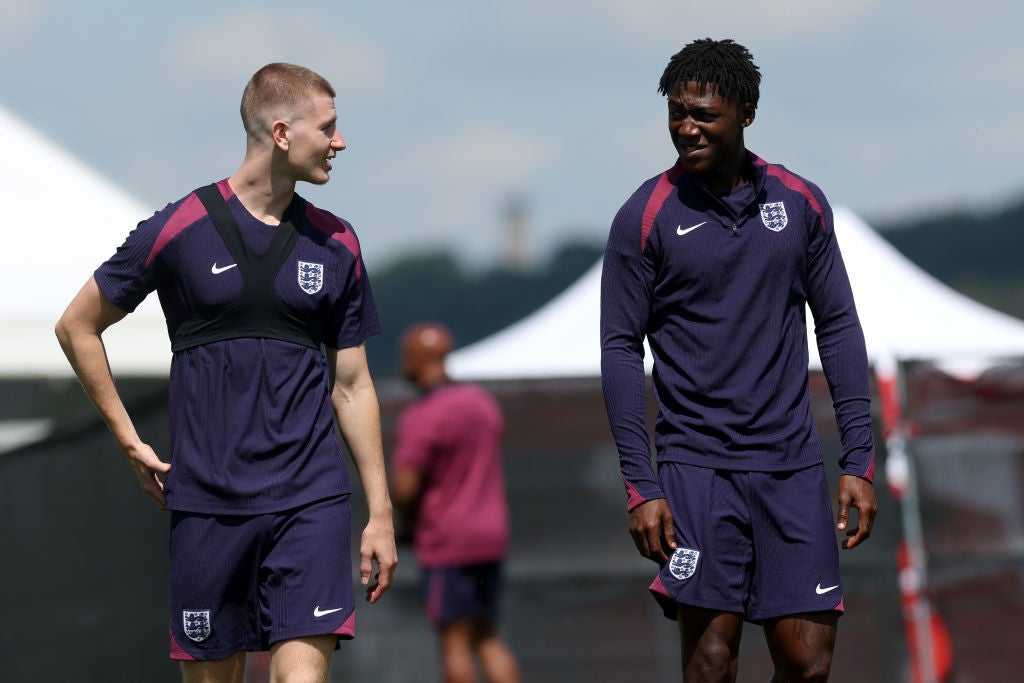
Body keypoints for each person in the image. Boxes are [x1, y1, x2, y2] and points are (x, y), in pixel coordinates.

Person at [55, 62, 397, 682]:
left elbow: (352, 385)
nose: (340, 142)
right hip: (207, 505)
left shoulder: (338, 241)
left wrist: (380, 512)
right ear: (283, 132)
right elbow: (77, 325)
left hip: (311, 500)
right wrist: (129, 440)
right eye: (330, 127)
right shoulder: (180, 227)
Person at [600, 39, 877, 682]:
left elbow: (837, 325)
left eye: (703, 114)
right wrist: (642, 486)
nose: (686, 127)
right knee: (712, 658)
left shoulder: (800, 202)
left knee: (807, 663)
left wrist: (858, 459)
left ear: (746, 113)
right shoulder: (644, 216)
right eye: (676, 113)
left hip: (790, 466)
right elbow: (619, 349)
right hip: (696, 469)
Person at [389, 323, 520, 683]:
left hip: (449, 540)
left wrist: (406, 523)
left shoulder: (422, 416)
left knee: (454, 642)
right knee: (488, 636)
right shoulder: (481, 403)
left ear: (418, 359)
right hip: (491, 537)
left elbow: (404, 489)